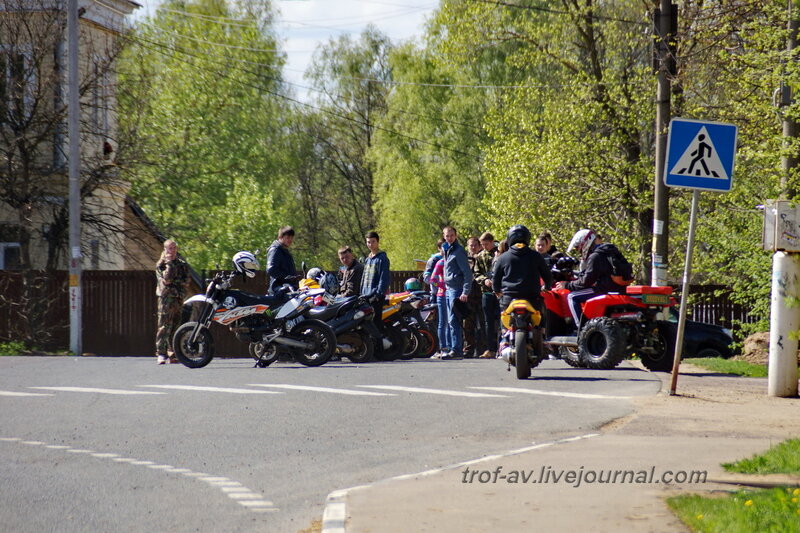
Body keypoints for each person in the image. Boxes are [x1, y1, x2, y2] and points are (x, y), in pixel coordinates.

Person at [555, 229, 629, 326]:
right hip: (617, 289)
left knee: (572, 296)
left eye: (578, 247)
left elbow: (587, 281)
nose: (578, 250)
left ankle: (580, 330)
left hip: (602, 289)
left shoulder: (595, 256)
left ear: (585, 242)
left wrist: (568, 285)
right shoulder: (608, 252)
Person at [492, 224, 552, 317]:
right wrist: (547, 286)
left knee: (503, 319)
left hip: (509, 297)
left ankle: (504, 330)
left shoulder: (502, 257)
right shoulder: (536, 256)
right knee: (541, 318)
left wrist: (497, 290)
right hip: (532, 297)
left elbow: (495, 279)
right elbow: (547, 275)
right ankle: (542, 330)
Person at [155, 239, 190, 364]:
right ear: (165, 249)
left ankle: (173, 352)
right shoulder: (161, 264)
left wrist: (177, 283)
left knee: (176, 326)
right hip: (166, 299)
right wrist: (169, 263)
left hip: (178, 298)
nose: (172, 250)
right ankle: (161, 353)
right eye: (169, 248)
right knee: (164, 326)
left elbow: (186, 282)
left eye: (174, 248)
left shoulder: (182, 264)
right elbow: (167, 280)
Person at [441, 226, 473, 360]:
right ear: (444, 236)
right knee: (449, 320)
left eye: (452, 235)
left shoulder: (458, 251)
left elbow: (467, 273)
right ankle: (451, 348)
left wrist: (465, 291)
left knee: (454, 320)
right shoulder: (447, 249)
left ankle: (456, 349)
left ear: (456, 236)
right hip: (449, 289)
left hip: (457, 289)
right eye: (447, 236)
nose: (449, 238)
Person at [474, 232, 499, 359]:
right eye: (482, 244)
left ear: (492, 241)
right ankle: (490, 348)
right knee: (488, 322)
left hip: (500, 292)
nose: (484, 247)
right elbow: (476, 273)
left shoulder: (501, 252)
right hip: (487, 291)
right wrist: (484, 280)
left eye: (486, 244)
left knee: (501, 319)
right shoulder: (480, 256)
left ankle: (502, 346)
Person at [360, 231, 391, 333]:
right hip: (366, 296)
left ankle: (380, 347)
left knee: (376, 323)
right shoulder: (367, 259)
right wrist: (362, 293)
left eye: (373, 242)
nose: (371, 244)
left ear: (377, 242)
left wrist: (378, 294)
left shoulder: (382, 258)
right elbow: (364, 278)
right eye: (368, 242)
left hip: (376, 297)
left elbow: (384, 278)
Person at [463, 236, 486, 358]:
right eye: (470, 245)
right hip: (469, 296)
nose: (473, 247)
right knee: (468, 324)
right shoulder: (465, 260)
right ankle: (469, 349)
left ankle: (482, 349)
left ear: (479, 246)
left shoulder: (483, 257)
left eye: (475, 245)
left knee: (483, 323)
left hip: (481, 294)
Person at [428, 254, 450, 358]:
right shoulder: (440, 262)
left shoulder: (455, 261)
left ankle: (452, 346)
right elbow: (433, 279)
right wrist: (442, 286)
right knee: (443, 322)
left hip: (453, 294)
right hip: (442, 295)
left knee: (452, 322)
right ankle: (443, 347)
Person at [267, 226, 299, 294]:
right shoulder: (276, 250)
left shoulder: (283, 251)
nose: (290, 240)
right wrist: (287, 277)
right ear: (280, 237)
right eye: (287, 237)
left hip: (286, 290)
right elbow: (271, 269)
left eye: (291, 237)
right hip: (278, 291)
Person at [422, 239, 444, 303]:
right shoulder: (434, 260)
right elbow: (427, 278)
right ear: (439, 248)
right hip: (436, 295)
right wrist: (440, 284)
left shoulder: (452, 258)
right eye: (443, 248)